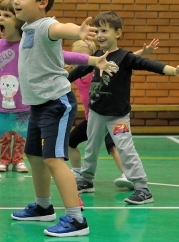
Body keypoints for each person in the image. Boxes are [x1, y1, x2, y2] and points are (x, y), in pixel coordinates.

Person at [0, 0, 111, 205]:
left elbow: (63, 55)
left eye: (7, 15)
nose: (1, 18)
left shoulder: (30, 44)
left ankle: (71, 196)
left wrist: (92, 61)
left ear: (19, 21)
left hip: (26, 114)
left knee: (45, 159)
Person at [9, 0, 101, 237]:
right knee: (34, 156)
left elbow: (61, 29)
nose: (17, 1)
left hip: (56, 104)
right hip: (38, 105)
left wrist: (79, 32)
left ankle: (76, 219)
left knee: (53, 158)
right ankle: (43, 206)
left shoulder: (46, 24)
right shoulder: (28, 28)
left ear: (43, 2)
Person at [68, 13, 177, 205]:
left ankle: (142, 188)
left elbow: (149, 64)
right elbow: (77, 72)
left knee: (125, 148)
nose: (100, 35)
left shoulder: (125, 57)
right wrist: (58, 80)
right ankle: (86, 180)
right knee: (92, 147)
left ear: (118, 33)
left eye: (105, 30)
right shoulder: (96, 57)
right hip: (95, 112)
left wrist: (173, 71)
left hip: (117, 116)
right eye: (98, 31)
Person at [67, 38, 158, 190]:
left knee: (114, 146)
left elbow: (121, 60)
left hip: (110, 114)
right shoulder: (76, 71)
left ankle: (126, 175)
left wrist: (143, 52)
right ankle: (80, 174)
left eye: (83, 57)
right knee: (75, 142)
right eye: (77, 57)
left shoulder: (97, 69)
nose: (81, 60)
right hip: (93, 118)